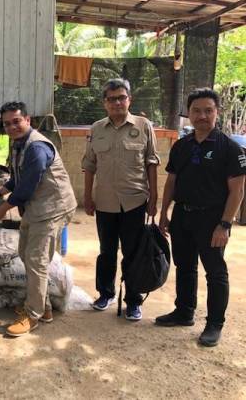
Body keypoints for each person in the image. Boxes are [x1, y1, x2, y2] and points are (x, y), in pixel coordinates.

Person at [157, 88, 246, 347]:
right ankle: (184, 311)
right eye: (197, 110)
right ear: (189, 114)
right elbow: (171, 181)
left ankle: (214, 324)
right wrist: (165, 213)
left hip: (212, 220)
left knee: (215, 273)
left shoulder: (229, 149)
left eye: (208, 110)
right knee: (184, 266)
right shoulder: (181, 146)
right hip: (182, 216)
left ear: (217, 113)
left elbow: (237, 191)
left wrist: (225, 225)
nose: (202, 116)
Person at [0, 101, 77, 337]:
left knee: (36, 260)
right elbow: (18, 177)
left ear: (28, 120)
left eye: (16, 121)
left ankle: (34, 314)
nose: (12, 127)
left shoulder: (37, 147)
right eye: (7, 124)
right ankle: (44, 306)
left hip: (52, 208)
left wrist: (1, 209)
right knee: (25, 253)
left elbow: (27, 186)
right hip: (36, 208)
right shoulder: (19, 144)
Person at [82, 78, 160, 321]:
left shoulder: (143, 125)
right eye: (111, 99)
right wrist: (87, 196)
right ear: (105, 103)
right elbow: (89, 165)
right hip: (104, 202)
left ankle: (133, 301)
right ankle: (105, 293)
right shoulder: (96, 129)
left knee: (133, 253)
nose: (117, 102)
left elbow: (151, 161)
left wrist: (154, 196)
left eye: (121, 97)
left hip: (135, 201)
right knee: (106, 252)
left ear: (129, 100)